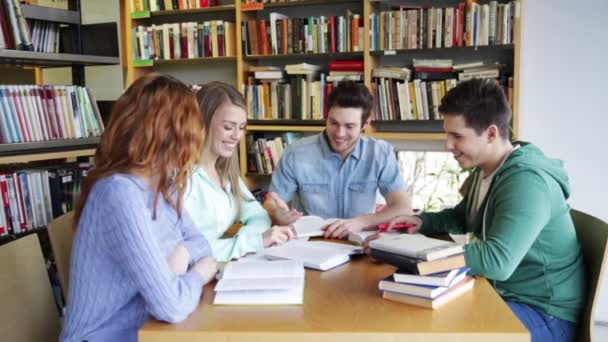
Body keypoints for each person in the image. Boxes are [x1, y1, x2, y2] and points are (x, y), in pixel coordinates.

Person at [373, 78, 585, 342]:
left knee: (429, 330)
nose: (447, 145)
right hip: (502, 293)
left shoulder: (526, 181)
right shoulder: (487, 169)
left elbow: (497, 260)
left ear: (491, 134)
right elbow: (464, 216)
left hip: (543, 312)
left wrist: (422, 256)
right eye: (447, 134)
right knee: (410, 316)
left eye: (457, 136)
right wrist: (420, 222)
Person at [60, 74, 218, 342]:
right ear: (172, 135)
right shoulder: (119, 192)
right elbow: (171, 306)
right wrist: (200, 273)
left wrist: (182, 253)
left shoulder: (163, 185)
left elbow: (201, 242)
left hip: (149, 330)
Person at [264, 81, 413, 239]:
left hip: (361, 242)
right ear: (326, 116)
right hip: (311, 243)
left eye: (349, 126)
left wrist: (361, 222)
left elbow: (403, 208)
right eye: (334, 123)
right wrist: (277, 215)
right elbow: (270, 204)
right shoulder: (295, 153)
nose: (340, 134)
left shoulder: (380, 153)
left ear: (366, 123)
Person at [183, 82, 294, 262]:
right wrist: (252, 241)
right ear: (201, 124)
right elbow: (189, 252)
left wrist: (242, 236)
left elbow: (258, 215)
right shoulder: (184, 180)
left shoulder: (225, 173)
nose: (237, 136)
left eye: (241, 127)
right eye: (228, 127)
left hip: (225, 267)